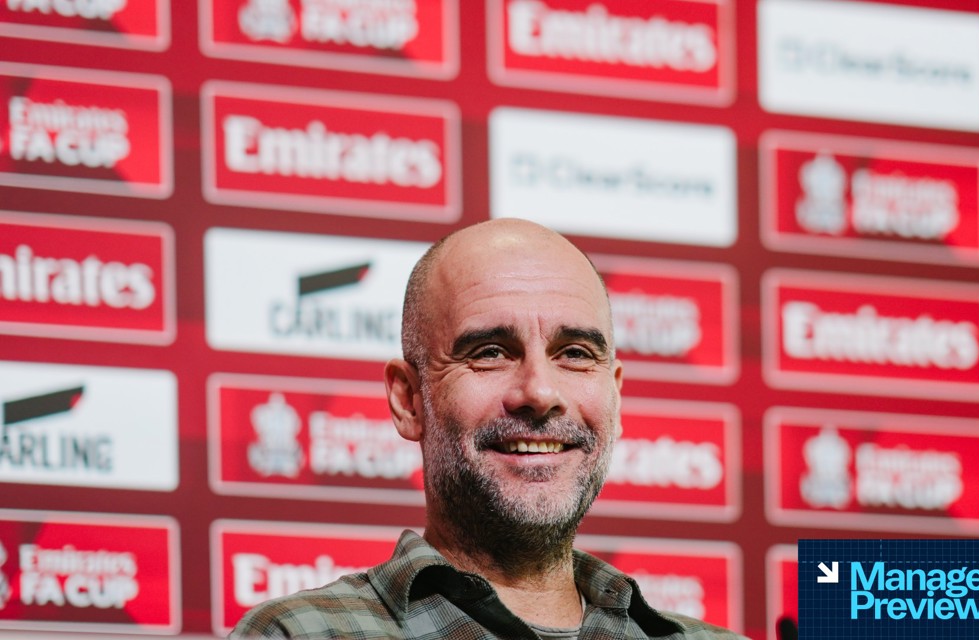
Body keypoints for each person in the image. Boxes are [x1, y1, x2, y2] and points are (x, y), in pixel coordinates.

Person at [230, 218, 746, 639]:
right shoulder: (299, 634)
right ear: (408, 400)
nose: (540, 392)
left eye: (574, 353)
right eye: (490, 352)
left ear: (615, 395)